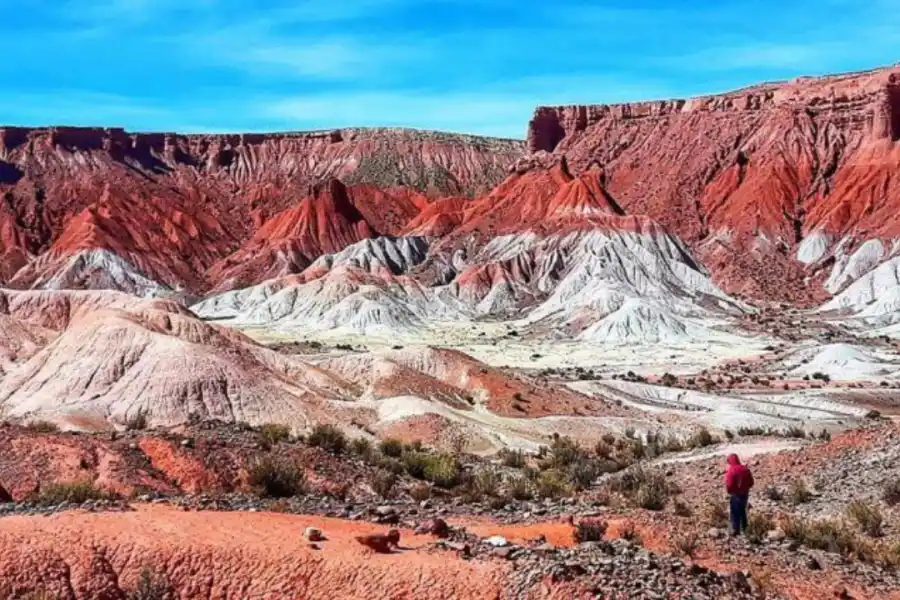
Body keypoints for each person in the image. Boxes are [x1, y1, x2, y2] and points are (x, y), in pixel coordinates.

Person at [725, 453, 754, 536]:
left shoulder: (732, 470)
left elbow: (730, 485)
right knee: (743, 511)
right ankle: (745, 528)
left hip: (736, 494)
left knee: (735, 512)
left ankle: (735, 529)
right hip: (745, 493)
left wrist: (730, 491)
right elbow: (751, 482)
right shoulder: (745, 469)